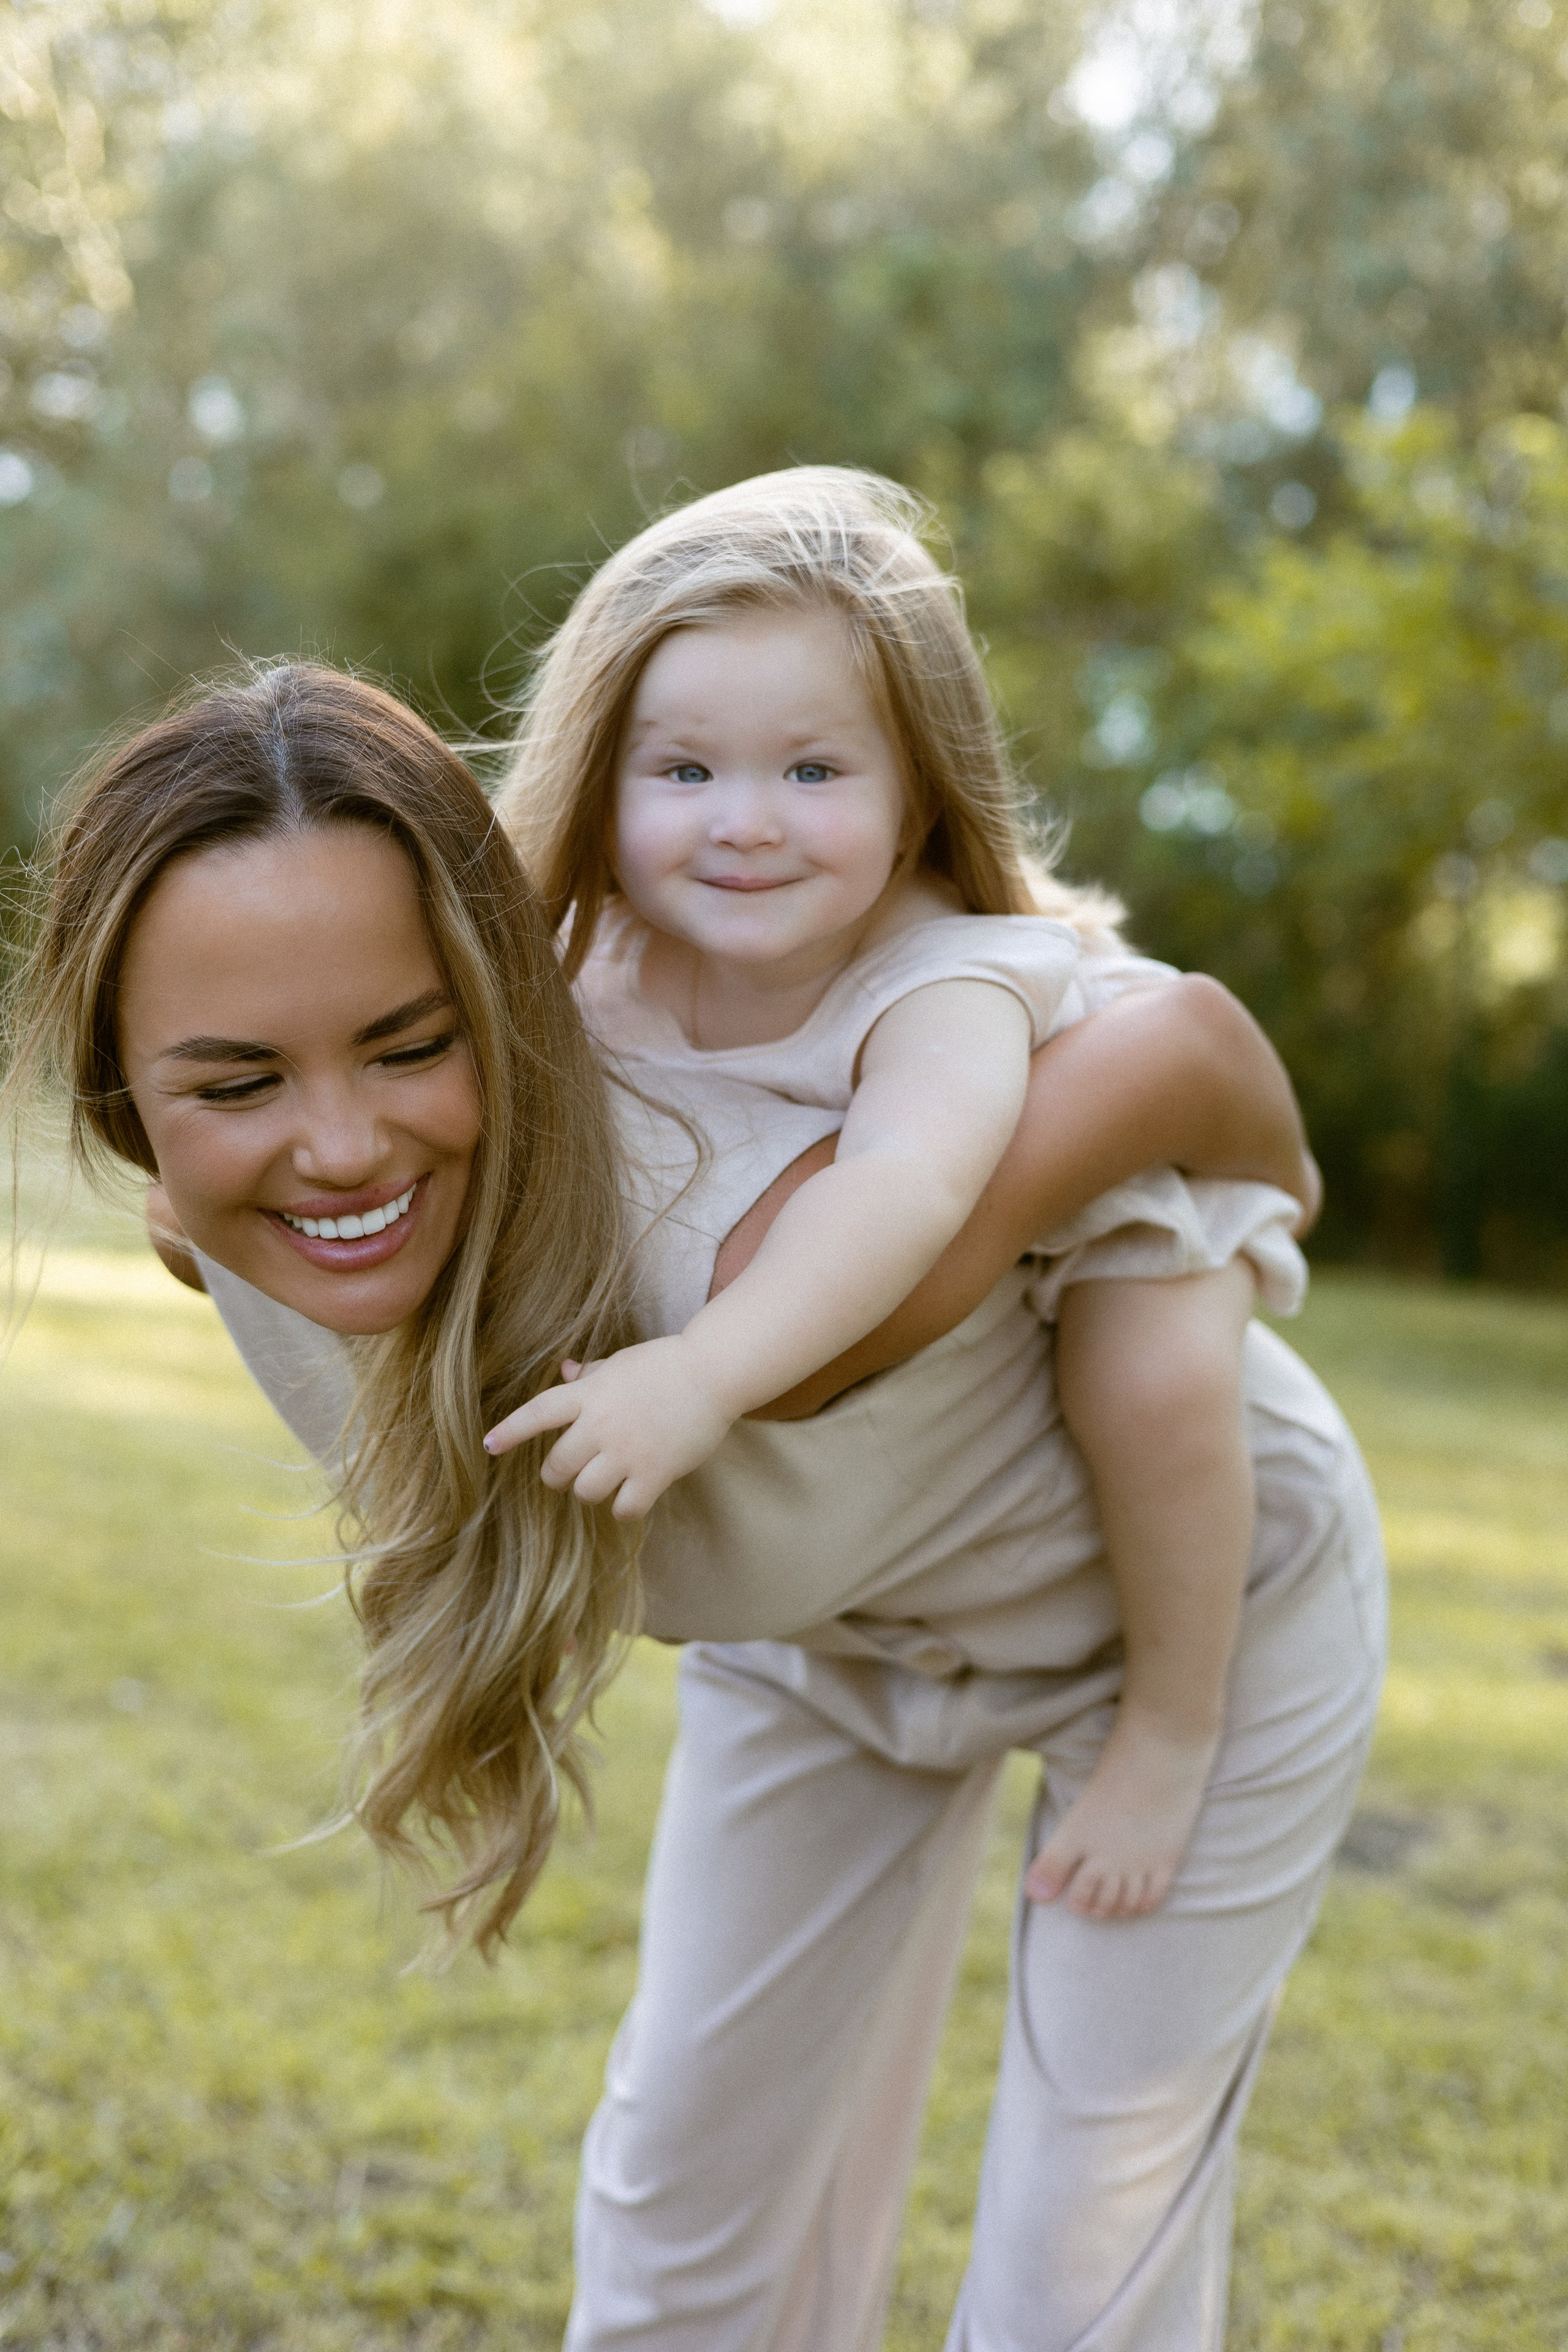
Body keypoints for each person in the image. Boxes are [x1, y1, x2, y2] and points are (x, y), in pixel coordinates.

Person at [4, 654, 1381, 2351]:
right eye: (232, 1084)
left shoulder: (762, 1286)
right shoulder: (215, 1229)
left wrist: (1280, 1184)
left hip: (1184, 1596)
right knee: (682, 2217)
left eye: (408, 1045)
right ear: (123, 1102)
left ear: (496, 998)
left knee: (1074, 2270)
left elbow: (1184, 1041)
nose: (339, 1148)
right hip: (825, 1633)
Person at [486, 467, 1295, 1921]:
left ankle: (1172, 1723)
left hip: (1099, 1177)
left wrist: (697, 1375)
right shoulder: (586, 963)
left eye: (813, 772)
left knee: (1149, 1373)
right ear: (598, 778)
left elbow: (906, 1188)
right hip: (879, 1509)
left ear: (916, 789)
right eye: (683, 772)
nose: (745, 823)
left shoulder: (947, 979)